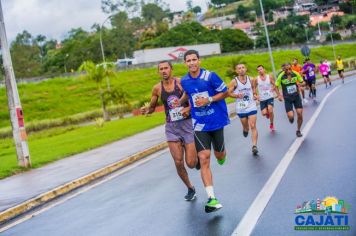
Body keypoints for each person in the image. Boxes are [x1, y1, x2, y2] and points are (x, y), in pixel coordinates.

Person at [140, 60, 199, 201]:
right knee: (178, 162)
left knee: (190, 163)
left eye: (166, 68)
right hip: (171, 128)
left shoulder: (180, 82)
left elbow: (193, 97)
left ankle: (195, 158)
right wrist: (147, 110)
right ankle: (190, 188)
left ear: (171, 69)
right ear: (158, 71)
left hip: (186, 124)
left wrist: (188, 108)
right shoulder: (157, 88)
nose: (164, 71)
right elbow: (153, 107)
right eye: (161, 69)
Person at [179, 50, 230, 213]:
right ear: (185, 63)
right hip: (199, 124)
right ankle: (212, 198)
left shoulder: (210, 76)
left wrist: (209, 99)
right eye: (188, 60)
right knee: (204, 158)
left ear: (199, 61)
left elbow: (226, 92)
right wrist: (181, 105)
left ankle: (221, 154)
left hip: (216, 121)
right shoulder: (184, 80)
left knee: (219, 155)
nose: (192, 63)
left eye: (194, 60)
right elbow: (188, 94)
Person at [228, 63, 259, 155]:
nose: (241, 69)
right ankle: (245, 129)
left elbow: (253, 89)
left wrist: (255, 95)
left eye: (243, 68)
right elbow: (229, 93)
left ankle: (254, 146)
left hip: (251, 105)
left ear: (246, 69)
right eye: (239, 68)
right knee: (246, 126)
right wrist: (237, 95)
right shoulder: (234, 82)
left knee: (253, 125)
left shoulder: (251, 79)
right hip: (241, 108)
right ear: (236, 71)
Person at [275, 63, 305, 138]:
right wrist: (279, 95)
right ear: (283, 69)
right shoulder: (281, 76)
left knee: (300, 114)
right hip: (287, 98)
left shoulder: (296, 74)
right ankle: (290, 118)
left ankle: (298, 130)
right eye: (286, 69)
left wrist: (301, 86)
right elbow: (276, 86)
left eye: (290, 69)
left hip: (296, 96)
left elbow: (302, 82)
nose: (288, 71)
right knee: (291, 116)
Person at [254, 65, 280, 132]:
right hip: (262, 99)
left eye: (261, 69)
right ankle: (267, 113)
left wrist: (278, 95)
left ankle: (271, 124)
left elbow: (275, 85)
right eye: (258, 70)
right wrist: (256, 96)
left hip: (270, 97)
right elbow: (253, 88)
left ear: (264, 69)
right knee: (264, 113)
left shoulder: (269, 77)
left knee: (270, 110)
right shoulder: (256, 79)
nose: (260, 71)